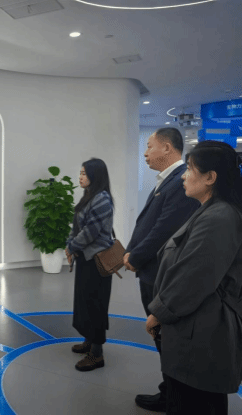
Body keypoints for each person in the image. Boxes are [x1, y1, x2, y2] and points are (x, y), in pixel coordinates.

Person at [146, 141, 242, 414]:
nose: (184, 176)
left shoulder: (219, 217)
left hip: (202, 331)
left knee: (195, 403)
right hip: (195, 325)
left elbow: (194, 277)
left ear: (210, 177)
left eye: (189, 169)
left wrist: (159, 313)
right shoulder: (210, 210)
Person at [124, 128, 199, 411]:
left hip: (160, 274)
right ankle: (170, 391)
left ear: (167, 148)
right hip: (152, 270)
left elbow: (163, 230)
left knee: (165, 337)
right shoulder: (167, 180)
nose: (145, 153)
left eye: (149, 146)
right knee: (162, 338)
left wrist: (135, 256)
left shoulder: (179, 182)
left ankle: (173, 396)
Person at [65, 158, 114, 372]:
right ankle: (89, 340)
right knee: (84, 302)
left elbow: (90, 232)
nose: (80, 176)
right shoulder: (88, 196)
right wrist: (70, 245)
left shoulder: (101, 199)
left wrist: (71, 247)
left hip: (97, 261)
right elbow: (76, 227)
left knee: (95, 305)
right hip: (85, 258)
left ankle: (97, 354)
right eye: (80, 172)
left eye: (84, 173)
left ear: (96, 175)